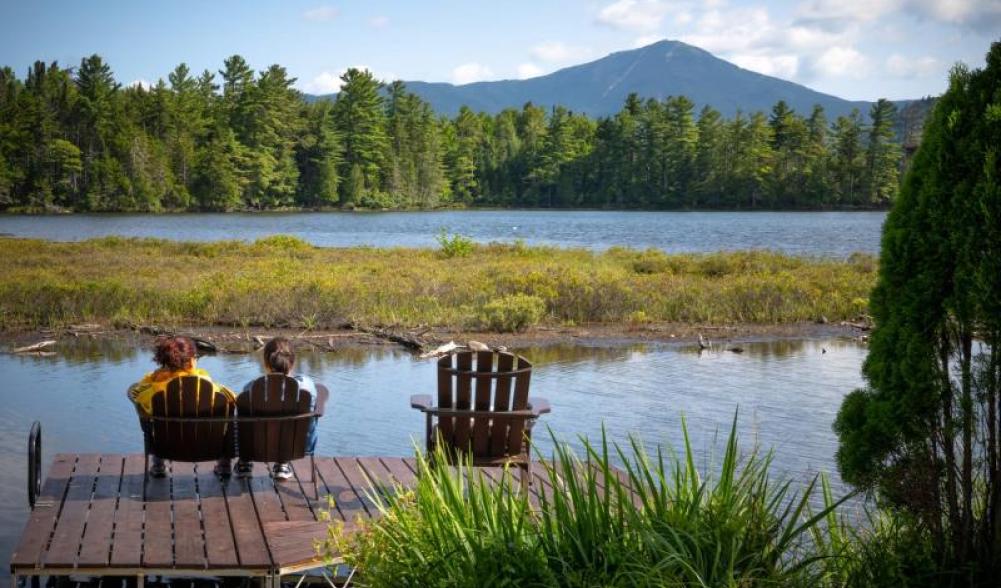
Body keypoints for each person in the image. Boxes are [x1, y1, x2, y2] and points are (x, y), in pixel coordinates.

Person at [128, 335, 236, 477]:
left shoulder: (154, 391)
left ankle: (158, 466)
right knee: (229, 417)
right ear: (191, 361)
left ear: (165, 362)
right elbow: (233, 398)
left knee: (150, 419)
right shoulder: (209, 387)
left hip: (166, 448)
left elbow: (134, 394)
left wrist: (154, 377)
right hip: (208, 447)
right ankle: (224, 465)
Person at [237, 337, 324, 480]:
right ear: (293, 362)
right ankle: (282, 464)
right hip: (297, 447)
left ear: (265, 363)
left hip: (257, 448)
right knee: (313, 413)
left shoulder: (251, 388)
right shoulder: (307, 386)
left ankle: (245, 463)